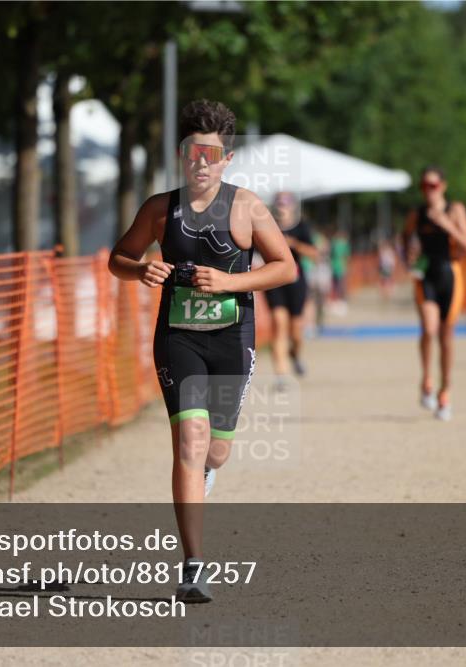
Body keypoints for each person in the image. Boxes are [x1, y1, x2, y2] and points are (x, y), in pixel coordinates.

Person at [108, 99, 296, 602]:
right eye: (193, 152)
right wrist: (138, 269)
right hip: (179, 336)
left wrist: (232, 281)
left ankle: (209, 470)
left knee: (216, 449)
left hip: (232, 338)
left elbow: (286, 267)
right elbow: (118, 258)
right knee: (189, 442)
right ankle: (193, 566)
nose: (201, 162)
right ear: (181, 153)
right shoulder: (158, 209)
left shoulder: (247, 207)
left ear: (225, 159)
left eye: (211, 154)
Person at [402, 165, 466, 421]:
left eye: (432, 186)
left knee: (446, 335)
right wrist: (409, 259)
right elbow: (405, 236)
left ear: (443, 186)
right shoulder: (417, 213)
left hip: (450, 273)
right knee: (429, 329)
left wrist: (447, 225)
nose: (428, 191)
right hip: (426, 275)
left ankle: (446, 391)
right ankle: (427, 379)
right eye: (424, 186)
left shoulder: (455, 210)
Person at [264, 192, 318, 385]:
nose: (282, 206)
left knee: (296, 330)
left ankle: (295, 354)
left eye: (286, 202)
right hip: (273, 281)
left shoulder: (302, 227)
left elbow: (315, 254)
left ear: (293, 206)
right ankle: (280, 375)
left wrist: (294, 244)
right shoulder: (267, 227)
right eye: (278, 202)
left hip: (296, 281)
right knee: (278, 324)